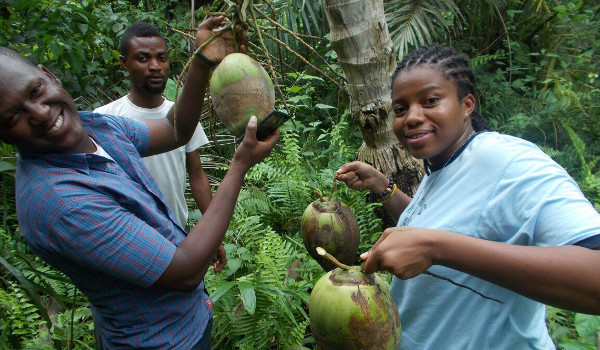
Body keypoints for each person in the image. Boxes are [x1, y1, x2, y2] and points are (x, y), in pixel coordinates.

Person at [0, 16, 279, 349]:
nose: (41, 113)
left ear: (49, 76)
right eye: (14, 116)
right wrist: (240, 164)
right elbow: (185, 271)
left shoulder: (97, 127)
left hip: (188, 324)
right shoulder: (60, 202)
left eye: (35, 91)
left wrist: (203, 61)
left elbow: (175, 130)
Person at [335, 44, 600, 349]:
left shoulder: (508, 161)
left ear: (467, 104)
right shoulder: (442, 163)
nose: (411, 117)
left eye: (430, 100)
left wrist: (437, 248)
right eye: (400, 108)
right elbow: (450, 224)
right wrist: (383, 188)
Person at [94, 22, 212, 232]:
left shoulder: (184, 115)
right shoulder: (105, 118)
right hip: (132, 237)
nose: (155, 66)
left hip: (177, 233)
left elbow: (197, 174)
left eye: (161, 58)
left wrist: (213, 230)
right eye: (143, 58)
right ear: (124, 62)